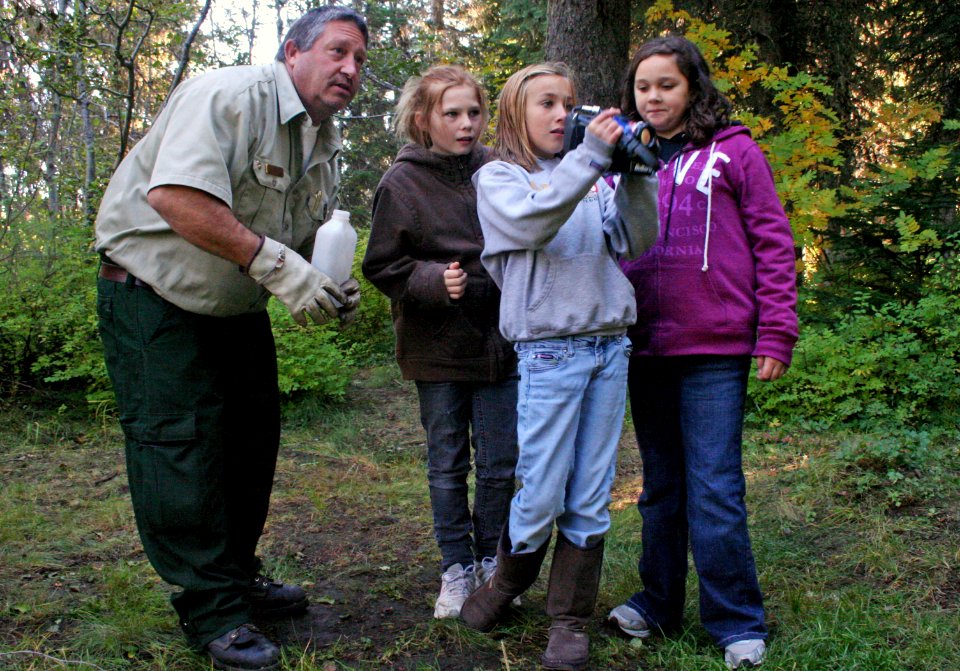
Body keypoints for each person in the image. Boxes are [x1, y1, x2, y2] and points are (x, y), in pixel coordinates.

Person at [94, 7, 367, 670]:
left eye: (360, 60)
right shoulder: (227, 97)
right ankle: (212, 609)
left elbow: (299, 237)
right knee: (179, 445)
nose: (351, 70)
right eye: (337, 52)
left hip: (233, 302)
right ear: (292, 52)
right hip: (153, 291)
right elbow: (177, 199)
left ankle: (237, 575)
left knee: (250, 440)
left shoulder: (323, 140)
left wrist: (325, 280)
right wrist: (280, 267)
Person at [457, 62, 659, 671]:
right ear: (516, 113)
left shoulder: (592, 177)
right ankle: (506, 584)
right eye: (546, 103)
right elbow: (531, 222)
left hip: (608, 347)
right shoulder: (500, 178)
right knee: (543, 488)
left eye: (569, 103)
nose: (561, 115)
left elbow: (636, 240)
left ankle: (568, 618)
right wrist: (591, 159)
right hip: (549, 351)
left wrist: (634, 174)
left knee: (592, 490)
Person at [606, 36, 798, 670]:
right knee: (660, 486)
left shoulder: (735, 152)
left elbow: (773, 242)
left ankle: (737, 620)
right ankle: (658, 602)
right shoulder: (620, 159)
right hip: (645, 345)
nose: (654, 96)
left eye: (667, 84)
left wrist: (777, 330)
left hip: (715, 346)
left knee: (714, 486)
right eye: (643, 86)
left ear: (693, 88)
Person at [362, 65, 519, 620]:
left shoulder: (499, 169)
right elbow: (381, 264)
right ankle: (456, 567)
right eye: (451, 113)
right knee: (448, 462)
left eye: (474, 112)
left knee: (501, 461)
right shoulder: (401, 182)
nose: (466, 123)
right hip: (437, 346)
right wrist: (433, 281)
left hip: (501, 340)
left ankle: (492, 564)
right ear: (422, 119)